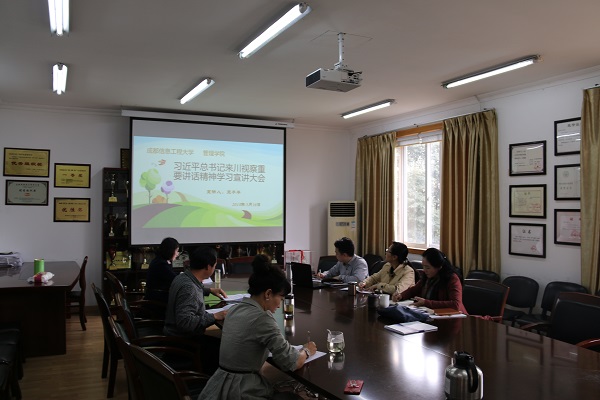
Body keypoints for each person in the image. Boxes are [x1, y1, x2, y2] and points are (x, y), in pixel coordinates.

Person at [199, 254, 317, 400]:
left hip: (219, 384)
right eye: (280, 298)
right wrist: (307, 350)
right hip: (241, 391)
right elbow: (292, 361)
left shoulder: (235, 309)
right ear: (268, 294)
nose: (279, 305)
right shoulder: (263, 319)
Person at [163, 246, 228, 373]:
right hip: (184, 344)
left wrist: (209, 290)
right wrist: (215, 316)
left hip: (173, 337)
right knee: (227, 348)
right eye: (214, 265)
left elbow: (191, 290)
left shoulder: (183, 277)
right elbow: (185, 323)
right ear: (208, 267)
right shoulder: (189, 289)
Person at [392, 248, 467, 314]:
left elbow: (456, 304)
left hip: (454, 317)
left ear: (439, 267)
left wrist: (426, 302)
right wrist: (401, 295)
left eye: (428, 267)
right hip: (431, 314)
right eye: (423, 266)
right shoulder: (427, 276)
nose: (424, 270)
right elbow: (414, 290)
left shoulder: (452, 278)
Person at [144, 237, 179, 305]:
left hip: (158, 297)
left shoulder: (159, 261)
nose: (177, 254)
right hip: (157, 302)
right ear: (170, 251)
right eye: (177, 251)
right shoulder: (161, 264)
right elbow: (174, 279)